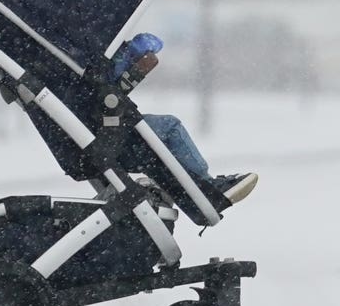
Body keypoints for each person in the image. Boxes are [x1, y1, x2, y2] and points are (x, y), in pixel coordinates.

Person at [104, 34, 258, 206]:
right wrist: (129, 54)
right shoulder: (95, 54)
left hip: (91, 138)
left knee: (153, 144)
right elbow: (109, 84)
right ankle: (206, 187)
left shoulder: (78, 59)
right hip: (105, 136)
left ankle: (190, 188)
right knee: (169, 127)